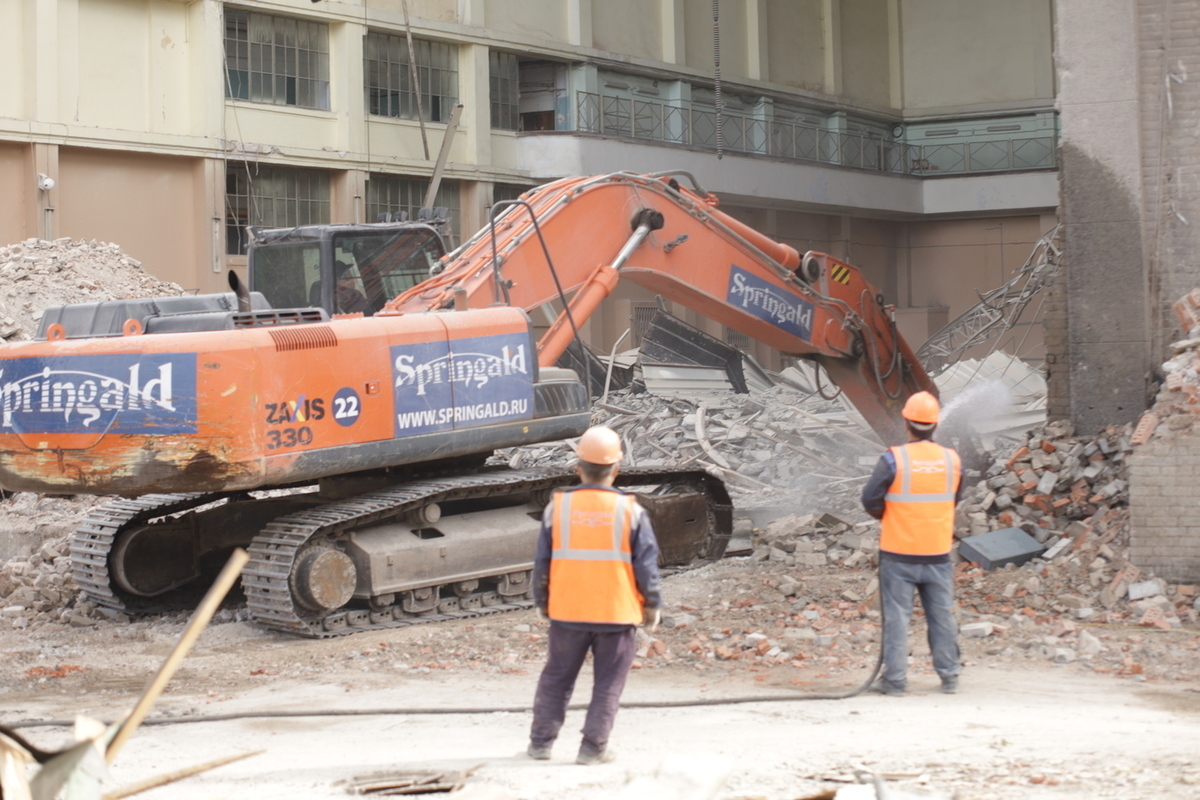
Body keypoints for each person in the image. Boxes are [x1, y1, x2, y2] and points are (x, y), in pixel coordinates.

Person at [527, 426, 662, 765]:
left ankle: (541, 744)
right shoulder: (631, 512)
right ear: (616, 470)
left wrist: (543, 602)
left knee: (556, 678)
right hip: (616, 614)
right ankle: (592, 749)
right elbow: (647, 567)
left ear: (578, 468)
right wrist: (652, 606)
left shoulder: (557, 508)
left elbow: (542, 562)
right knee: (608, 684)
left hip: (568, 611)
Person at [860, 390, 964, 696]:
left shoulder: (893, 459)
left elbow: (869, 499)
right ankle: (949, 676)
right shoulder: (952, 460)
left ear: (906, 422)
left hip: (899, 553)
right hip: (937, 553)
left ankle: (895, 680)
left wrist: (891, 516)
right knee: (942, 615)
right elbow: (953, 498)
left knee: (897, 619)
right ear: (936, 425)